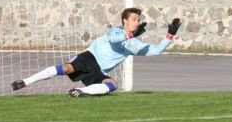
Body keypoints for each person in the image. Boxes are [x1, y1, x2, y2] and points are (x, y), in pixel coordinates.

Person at [11, 8, 181, 97]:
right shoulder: (115, 31)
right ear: (124, 21)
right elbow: (115, 40)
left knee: (113, 84)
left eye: (138, 20)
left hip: (99, 71)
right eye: (134, 19)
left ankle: (82, 92)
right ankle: (26, 81)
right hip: (89, 57)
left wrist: (170, 35)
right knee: (67, 68)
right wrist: (130, 34)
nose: (137, 22)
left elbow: (157, 50)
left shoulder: (134, 45)